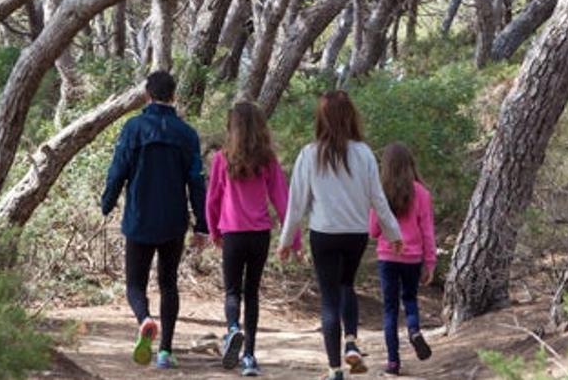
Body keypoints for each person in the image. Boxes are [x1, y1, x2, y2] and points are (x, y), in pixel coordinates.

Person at [278, 90, 403, 380]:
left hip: (324, 233)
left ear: (321, 118)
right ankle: (351, 341)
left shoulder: (310, 154)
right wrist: (393, 233)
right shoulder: (364, 153)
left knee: (329, 299)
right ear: (351, 117)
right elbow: (378, 199)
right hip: (355, 234)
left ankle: (335, 369)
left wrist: (286, 241)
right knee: (347, 285)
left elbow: (296, 203)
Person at [100, 70, 209, 370]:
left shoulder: (133, 128)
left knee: (135, 284)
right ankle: (165, 352)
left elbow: (118, 169)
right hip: (174, 221)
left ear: (147, 94)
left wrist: (107, 202)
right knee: (169, 284)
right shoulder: (187, 134)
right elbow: (197, 182)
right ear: (173, 96)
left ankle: (145, 319)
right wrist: (202, 224)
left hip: (139, 218)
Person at [205, 102, 300, 377]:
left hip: (232, 233)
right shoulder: (267, 159)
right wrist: (293, 239)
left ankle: (233, 329)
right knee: (252, 293)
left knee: (232, 291)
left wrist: (214, 231)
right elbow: (283, 200)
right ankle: (249, 358)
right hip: (259, 235)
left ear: (232, 127)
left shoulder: (223, 158)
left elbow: (212, 200)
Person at [368, 143, 437, 376]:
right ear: (410, 165)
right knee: (410, 300)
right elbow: (427, 231)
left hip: (388, 256)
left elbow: (373, 231)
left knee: (389, 309)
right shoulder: (422, 194)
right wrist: (430, 263)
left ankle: (393, 362)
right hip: (412, 257)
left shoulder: (380, 192)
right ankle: (415, 330)